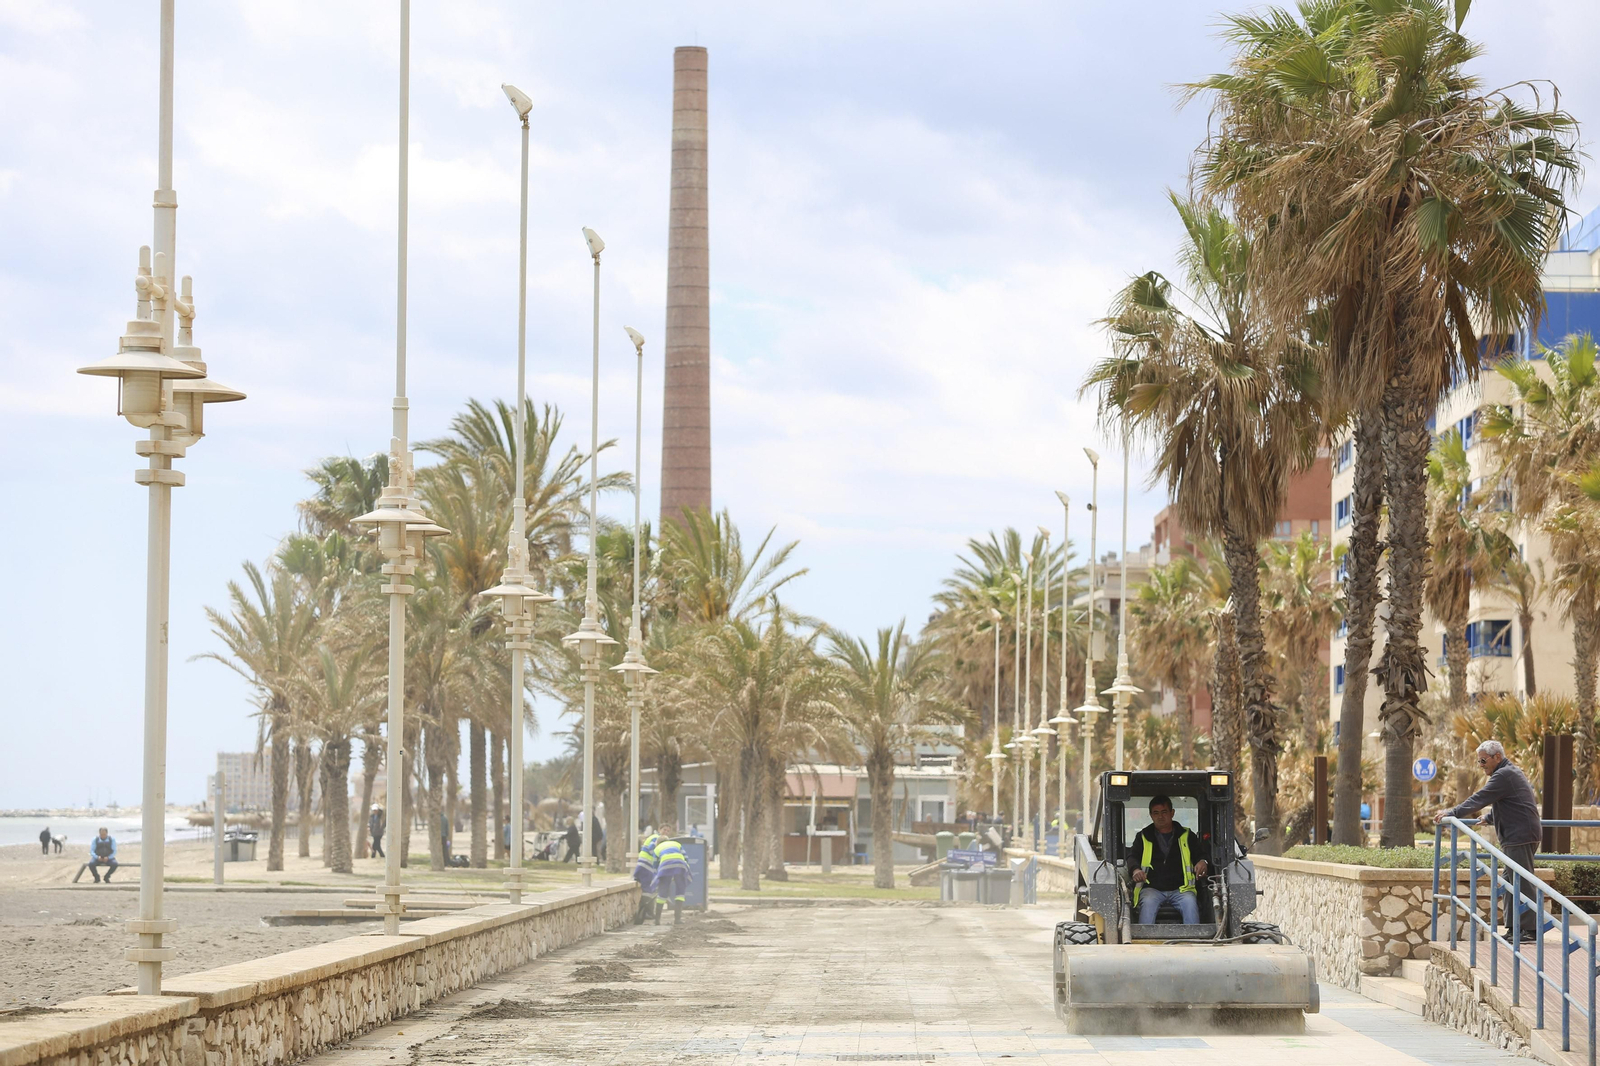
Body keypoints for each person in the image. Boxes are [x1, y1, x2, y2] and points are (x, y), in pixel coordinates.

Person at [1434, 739, 1543, 941]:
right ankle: (1515, 928)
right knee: (1509, 881)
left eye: (1483, 760)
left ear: (1497, 757)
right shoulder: (1507, 774)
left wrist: (1452, 812)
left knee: (1521, 881)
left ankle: (1530, 931)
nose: (1481, 765)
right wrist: (1491, 817)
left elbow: (1480, 798)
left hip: (1520, 835)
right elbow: (1513, 802)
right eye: (1479, 761)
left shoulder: (1504, 775)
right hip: (1517, 834)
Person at [1126, 795, 1209, 925]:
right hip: (1152, 889)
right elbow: (1132, 857)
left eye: (1164, 812)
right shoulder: (1143, 836)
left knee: (1190, 903)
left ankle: (1194, 936)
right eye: (1156, 813)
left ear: (1172, 813)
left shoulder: (1187, 835)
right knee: (1147, 903)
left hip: (1182, 889)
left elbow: (1201, 854)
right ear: (1151, 815)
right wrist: (1136, 870)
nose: (1160, 816)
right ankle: (1145, 936)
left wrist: (1203, 861)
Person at [651, 825, 691, 924]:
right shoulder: (676, 844)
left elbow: (655, 865)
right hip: (680, 865)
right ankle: (677, 919)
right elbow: (686, 858)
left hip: (665, 866)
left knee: (662, 892)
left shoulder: (657, 849)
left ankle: (657, 920)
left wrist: (658, 878)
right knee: (680, 891)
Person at [631, 829, 662, 924]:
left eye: (668, 831)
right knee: (648, 889)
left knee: (650, 889)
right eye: (664, 830)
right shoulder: (656, 838)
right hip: (646, 867)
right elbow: (652, 849)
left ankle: (647, 912)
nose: (666, 832)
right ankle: (644, 912)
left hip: (646, 867)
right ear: (660, 830)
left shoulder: (657, 838)